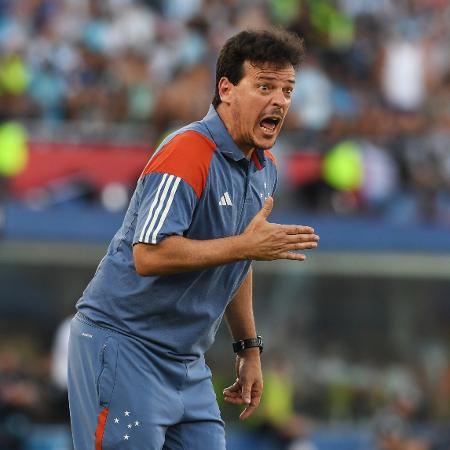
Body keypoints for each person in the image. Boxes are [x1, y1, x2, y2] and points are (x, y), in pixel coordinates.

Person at [68, 28, 319, 450]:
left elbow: (238, 261)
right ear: (226, 89)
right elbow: (149, 254)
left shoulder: (264, 168)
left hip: (187, 361)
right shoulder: (186, 151)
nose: (280, 100)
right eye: (265, 86)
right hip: (124, 346)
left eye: (287, 90)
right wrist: (246, 246)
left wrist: (248, 348)